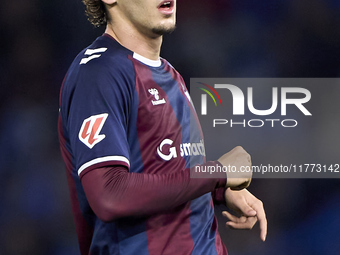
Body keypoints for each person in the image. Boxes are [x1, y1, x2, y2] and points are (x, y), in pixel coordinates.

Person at [58, 0, 267, 254]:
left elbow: (165, 173)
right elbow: (109, 195)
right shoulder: (99, 73)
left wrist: (218, 191)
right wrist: (217, 173)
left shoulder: (169, 74)